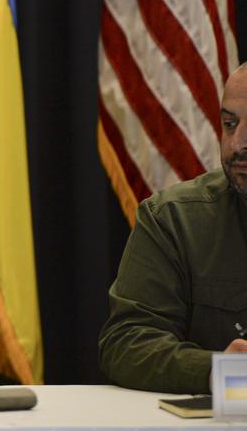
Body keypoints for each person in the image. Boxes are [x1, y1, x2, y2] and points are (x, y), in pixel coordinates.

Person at [99, 62, 247, 394]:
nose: (238, 144)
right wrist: (218, 371)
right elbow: (127, 343)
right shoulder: (175, 218)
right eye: (229, 123)